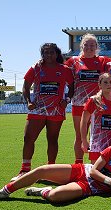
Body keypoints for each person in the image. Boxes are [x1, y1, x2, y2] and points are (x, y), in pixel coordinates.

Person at [0, 132, 111, 203]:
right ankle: (4, 191)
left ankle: (41, 191)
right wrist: (110, 180)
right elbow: (93, 170)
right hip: (83, 170)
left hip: (90, 187)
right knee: (41, 170)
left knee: (55, 197)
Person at [11, 43, 74, 182]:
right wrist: (28, 101)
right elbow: (26, 86)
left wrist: (67, 99)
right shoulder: (36, 67)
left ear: (57, 54)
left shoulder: (65, 69)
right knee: (28, 138)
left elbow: (72, 87)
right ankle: (24, 170)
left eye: (51, 52)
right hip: (38, 109)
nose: (48, 55)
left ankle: (50, 170)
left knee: (52, 140)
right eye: (45, 52)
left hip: (56, 110)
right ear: (42, 54)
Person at [65, 33, 111, 164]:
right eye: (86, 45)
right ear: (81, 46)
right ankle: (78, 164)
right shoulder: (73, 61)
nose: (89, 48)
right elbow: (60, 70)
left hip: (98, 104)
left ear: (96, 47)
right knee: (80, 136)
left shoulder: (103, 61)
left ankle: (95, 165)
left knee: (96, 136)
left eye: (92, 45)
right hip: (79, 104)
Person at [80, 73, 111, 163]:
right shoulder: (94, 100)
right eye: (105, 82)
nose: (108, 85)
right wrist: (84, 140)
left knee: (109, 173)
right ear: (100, 85)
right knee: (95, 173)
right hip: (97, 144)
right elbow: (84, 121)